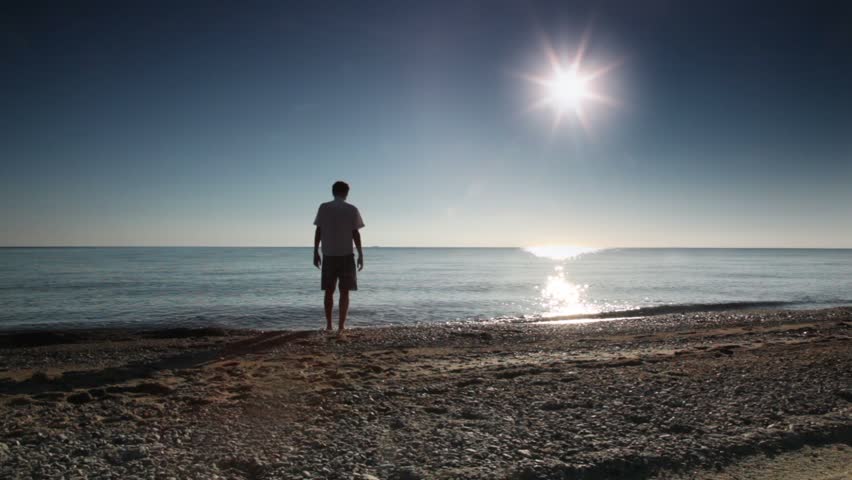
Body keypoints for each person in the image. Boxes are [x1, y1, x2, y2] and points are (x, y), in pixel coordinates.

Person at [313, 181, 365, 332]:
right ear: (347, 192)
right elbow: (356, 234)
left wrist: (315, 251)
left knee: (329, 291)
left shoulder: (324, 207)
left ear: (332, 191)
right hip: (346, 255)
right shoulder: (352, 209)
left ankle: (329, 325)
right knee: (344, 292)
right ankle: (341, 326)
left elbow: (318, 231)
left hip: (328, 255)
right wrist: (361, 255)